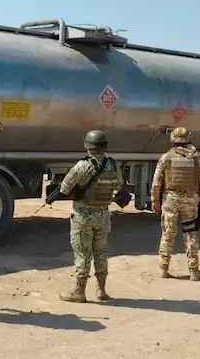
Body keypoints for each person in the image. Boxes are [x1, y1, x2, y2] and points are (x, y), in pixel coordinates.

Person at [58, 130, 123, 304]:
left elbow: (64, 188)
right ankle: (101, 290)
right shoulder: (113, 165)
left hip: (83, 217)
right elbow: (119, 185)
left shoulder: (83, 165)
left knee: (82, 253)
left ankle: (79, 291)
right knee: (101, 251)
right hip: (103, 215)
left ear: (87, 146)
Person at [150, 127, 200, 281]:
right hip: (190, 200)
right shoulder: (197, 157)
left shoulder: (166, 157)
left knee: (168, 233)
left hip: (170, 200)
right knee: (190, 233)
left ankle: (164, 268)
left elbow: (156, 182)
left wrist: (155, 200)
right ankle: (193, 271)